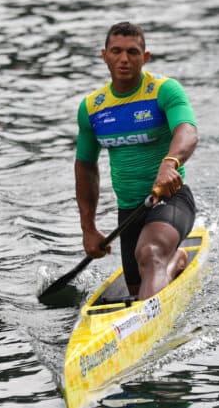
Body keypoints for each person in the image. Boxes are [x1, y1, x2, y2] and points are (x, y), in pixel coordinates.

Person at [74, 21, 199, 300]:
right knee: (137, 284)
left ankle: (147, 321)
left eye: (132, 52)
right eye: (116, 51)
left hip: (170, 199)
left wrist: (169, 164)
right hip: (129, 211)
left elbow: (187, 131)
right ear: (104, 55)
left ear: (145, 57)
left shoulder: (164, 91)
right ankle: (175, 260)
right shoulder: (92, 108)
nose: (124, 59)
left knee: (150, 254)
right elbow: (85, 166)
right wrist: (89, 228)